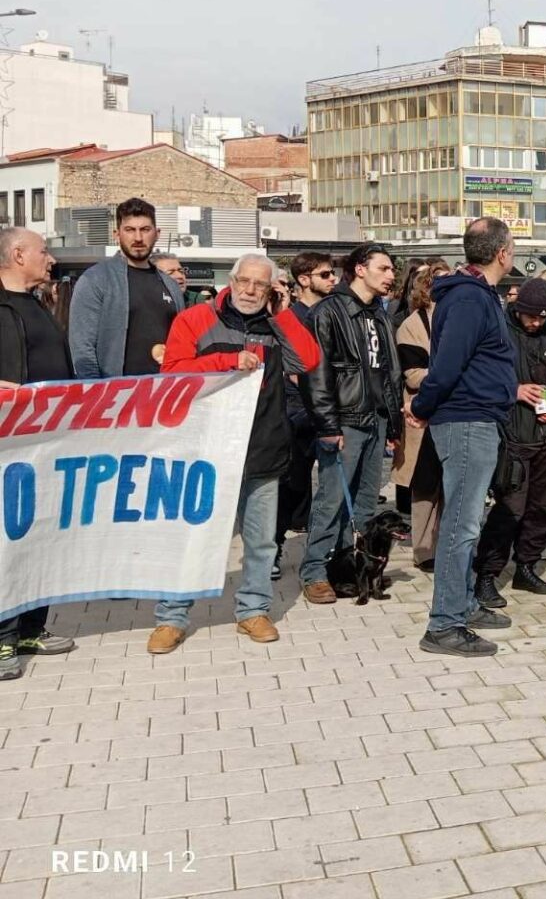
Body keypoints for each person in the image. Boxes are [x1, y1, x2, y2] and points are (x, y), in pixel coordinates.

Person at [147, 253, 322, 653]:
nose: (250, 290)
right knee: (192, 538)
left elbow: (308, 361)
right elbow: (172, 372)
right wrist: (227, 361)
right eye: (244, 281)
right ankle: (171, 617)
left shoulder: (276, 322)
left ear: (271, 288)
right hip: (205, 449)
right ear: (232, 280)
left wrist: (283, 314)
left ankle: (253, 611)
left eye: (260, 284)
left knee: (260, 541)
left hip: (262, 445)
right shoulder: (196, 318)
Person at [406, 219, 520, 656]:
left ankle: (463, 603)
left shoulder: (475, 294)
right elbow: (447, 365)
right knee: (461, 523)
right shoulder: (470, 297)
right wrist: (422, 406)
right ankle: (444, 624)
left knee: (466, 520)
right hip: (467, 418)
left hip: (478, 416)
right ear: (502, 253)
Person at [298, 243, 404, 604]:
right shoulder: (329, 312)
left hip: (376, 418)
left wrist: (392, 425)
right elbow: (316, 374)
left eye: (392, 270)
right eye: (384, 268)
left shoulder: (379, 314)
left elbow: (390, 373)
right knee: (331, 499)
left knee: (364, 501)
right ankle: (314, 571)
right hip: (345, 419)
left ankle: (348, 567)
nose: (391, 275)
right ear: (360, 269)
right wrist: (328, 425)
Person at [472, 276, 546, 606]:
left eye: (541, 317)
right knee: (510, 509)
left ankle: (526, 566)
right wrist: (515, 390)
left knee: (544, 506)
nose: (535, 323)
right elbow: (480, 376)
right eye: (530, 316)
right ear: (518, 308)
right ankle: (486, 574)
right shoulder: (499, 331)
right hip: (512, 435)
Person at [0, 228, 77, 680]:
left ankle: (31, 627)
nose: (50, 259)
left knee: (41, 536)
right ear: (17, 254)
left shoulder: (38, 303)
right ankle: (2, 638)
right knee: (8, 542)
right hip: (10, 447)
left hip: (47, 443)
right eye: (43, 251)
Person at [272, 251, 337, 578]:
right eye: (325, 274)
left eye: (332, 273)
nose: (332, 279)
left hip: (331, 408)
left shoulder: (334, 312)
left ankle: (327, 549)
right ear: (303, 279)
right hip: (297, 408)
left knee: (331, 484)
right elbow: (291, 367)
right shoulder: (290, 317)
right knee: (291, 484)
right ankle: (273, 547)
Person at [69, 198, 184, 378]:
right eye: (130, 230)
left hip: (165, 388)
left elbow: (183, 343)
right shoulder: (96, 280)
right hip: (117, 390)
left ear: (157, 233)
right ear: (117, 234)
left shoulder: (170, 285)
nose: (138, 238)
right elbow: (82, 347)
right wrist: (96, 389)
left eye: (145, 229)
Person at [392, 259, 451, 570]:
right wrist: (449, 373)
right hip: (424, 414)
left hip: (456, 412)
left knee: (452, 484)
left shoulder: (459, 318)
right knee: (426, 485)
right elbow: (412, 374)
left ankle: (449, 545)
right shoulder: (413, 325)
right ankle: (425, 550)